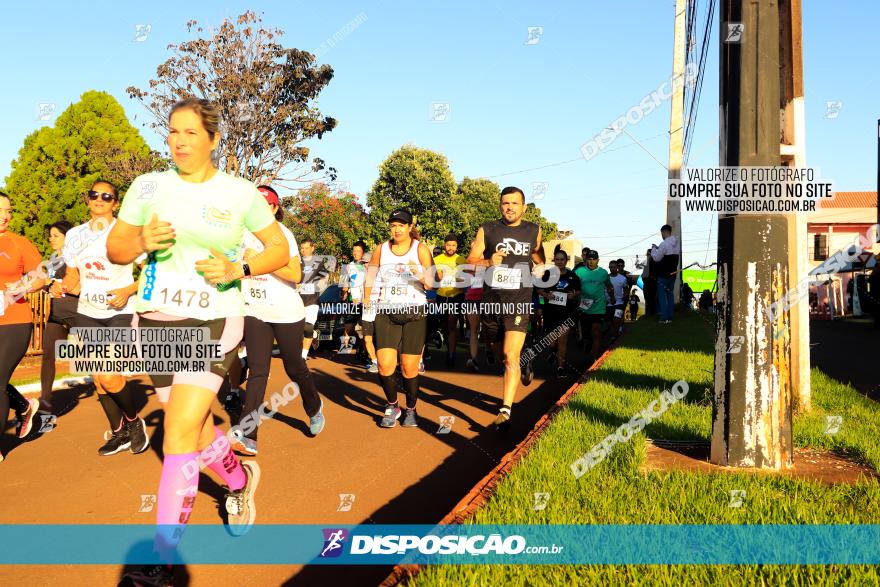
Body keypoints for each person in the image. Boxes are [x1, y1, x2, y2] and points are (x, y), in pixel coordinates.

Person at [107, 98, 289, 581]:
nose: (180, 141)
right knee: (195, 426)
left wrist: (238, 267)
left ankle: (162, 561)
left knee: (181, 432)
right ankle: (237, 478)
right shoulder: (148, 187)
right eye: (172, 132)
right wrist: (143, 241)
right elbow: (117, 247)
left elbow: (279, 250)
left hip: (214, 318)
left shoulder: (240, 193)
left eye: (190, 133)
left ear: (212, 139)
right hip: (157, 320)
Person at [59, 180, 150, 456]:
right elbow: (73, 274)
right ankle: (119, 433)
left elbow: (151, 271)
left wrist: (128, 289)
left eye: (106, 196)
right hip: (87, 313)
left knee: (110, 376)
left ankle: (135, 423)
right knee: (99, 379)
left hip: (118, 312)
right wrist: (64, 284)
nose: (99, 199)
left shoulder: (126, 234)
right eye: (94, 194)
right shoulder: (75, 235)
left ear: (116, 203)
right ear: (87, 199)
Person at [234, 185, 326, 456]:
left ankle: (314, 407)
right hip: (255, 310)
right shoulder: (241, 236)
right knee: (257, 370)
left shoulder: (283, 235)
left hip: (286, 313)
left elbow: (296, 274)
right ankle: (249, 435)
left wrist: (261, 261)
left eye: (265, 206)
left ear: (275, 209)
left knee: (294, 367)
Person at [466, 186, 545, 429]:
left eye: (514, 203)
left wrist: (541, 267)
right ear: (500, 205)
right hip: (492, 302)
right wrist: (489, 261)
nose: (509, 207)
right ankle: (524, 362)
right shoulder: (487, 229)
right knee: (502, 354)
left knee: (511, 355)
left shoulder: (534, 230)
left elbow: (538, 255)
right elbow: (470, 263)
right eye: (505, 203)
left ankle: (505, 410)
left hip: (519, 301)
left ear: (524, 207)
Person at [364, 209, 433, 429]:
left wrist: (419, 274)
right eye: (393, 225)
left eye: (401, 225)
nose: (397, 229)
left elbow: (432, 284)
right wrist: (367, 297)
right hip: (386, 311)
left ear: (410, 227)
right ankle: (392, 405)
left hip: (414, 312)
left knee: (408, 368)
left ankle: (411, 409)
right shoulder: (381, 249)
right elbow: (371, 274)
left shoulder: (420, 249)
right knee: (385, 366)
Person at [0, 191, 44, 462]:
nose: (4, 215)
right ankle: (24, 405)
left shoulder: (18, 243)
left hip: (14, 321)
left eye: (8, 210)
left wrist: (20, 287)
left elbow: (41, 276)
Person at [39, 220, 77, 415]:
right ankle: (45, 399)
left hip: (78, 314)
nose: (51, 239)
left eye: (56, 236)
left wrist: (53, 281)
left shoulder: (77, 257)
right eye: (50, 235)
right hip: (56, 316)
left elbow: (78, 285)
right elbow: (50, 285)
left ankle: (114, 391)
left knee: (97, 358)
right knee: (48, 355)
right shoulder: (53, 259)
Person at [536, 248, 580, 377]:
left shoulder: (572, 276)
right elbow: (538, 290)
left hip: (566, 313)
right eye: (557, 259)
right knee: (552, 341)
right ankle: (553, 351)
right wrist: (545, 296)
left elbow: (578, 291)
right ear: (554, 260)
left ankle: (560, 368)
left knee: (563, 340)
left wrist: (574, 295)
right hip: (550, 313)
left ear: (566, 261)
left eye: (562, 259)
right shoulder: (548, 275)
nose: (560, 262)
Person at [574, 250, 614, 364]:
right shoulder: (579, 272)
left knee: (596, 330)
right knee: (586, 333)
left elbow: (609, 286)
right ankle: (587, 342)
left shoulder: (603, 273)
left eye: (594, 259)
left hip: (598, 307)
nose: (591, 262)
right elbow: (573, 285)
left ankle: (594, 358)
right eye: (589, 259)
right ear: (586, 260)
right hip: (584, 307)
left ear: (598, 260)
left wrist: (612, 296)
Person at [433, 234, 467, 367]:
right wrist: (438, 277)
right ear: (444, 245)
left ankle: (451, 355)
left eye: (453, 245)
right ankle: (446, 344)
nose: (450, 247)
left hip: (456, 296)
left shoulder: (462, 259)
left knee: (452, 324)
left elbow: (465, 281)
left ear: (457, 246)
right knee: (444, 325)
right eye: (448, 245)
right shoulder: (437, 259)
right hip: (441, 296)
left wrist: (461, 281)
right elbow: (434, 280)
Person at [298, 237, 333, 361]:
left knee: (307, 326)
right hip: (297, 300)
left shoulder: (318, 262)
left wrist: (319, 284)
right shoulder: (297, 262)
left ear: (312, 248)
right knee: (298, 328)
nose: (304, 250)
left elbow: (325, 276)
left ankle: (303, 356)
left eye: (307, 248)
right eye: (302, 248)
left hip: (312, 300)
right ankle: (314, 333)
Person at [339, 241, 368, 356]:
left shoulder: (367, 266)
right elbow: (343, 285)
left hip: (365, 301)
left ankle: (365, 351)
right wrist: (344, 290)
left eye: (358, 251)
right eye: (354, 251)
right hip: (352, 301)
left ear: (363, 253)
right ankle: (346, 349)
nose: (355, 253)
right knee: (348, 327)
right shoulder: (348, 267)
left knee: (364, 328)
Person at [650, 224, 680, 324]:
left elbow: (657, 258)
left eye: (662, 233)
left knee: (662, 296)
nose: (662, 235)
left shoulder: (664, 244)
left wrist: (654, 249)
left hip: (663, 274)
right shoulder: (676, 243)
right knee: (670, 295)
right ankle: (670, 316)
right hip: (673, 274)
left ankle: (664, 317)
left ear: (664, 232)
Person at [607, 260, 629, 339]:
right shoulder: (606, 278)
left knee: (617, 319)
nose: (612, 269)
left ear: (617, 268)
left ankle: (615, 336)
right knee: (610, 322)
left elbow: (626, 289)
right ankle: (614, 334)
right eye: (611, 267)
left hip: (619, 304)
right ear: (609, 268)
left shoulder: (622, 278)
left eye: (614, 267)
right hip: (608, 304)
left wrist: (625, 296)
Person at [643, 248, 658, 316]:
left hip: (653, 285)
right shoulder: (646, 263)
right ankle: (649, 313)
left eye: (649, 254)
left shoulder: (656, 263)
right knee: (648, 300)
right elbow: (644, 275)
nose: (648, 256)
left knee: (653, 300)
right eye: (647, 254)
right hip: (647, 285)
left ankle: (653, 313)